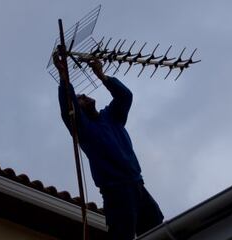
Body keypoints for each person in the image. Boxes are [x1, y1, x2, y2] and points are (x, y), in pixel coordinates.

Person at [53, 51, 164, 240]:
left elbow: (125, 96)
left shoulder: (111, 116)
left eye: (83, 95)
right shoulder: (84, 129)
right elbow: (68, 112)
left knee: (156, 224)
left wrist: (102, 76)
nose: (85, 96)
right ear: (78, 109)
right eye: (79, 98)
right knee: (123, 235)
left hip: (137, 184)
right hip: (117, 191)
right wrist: (64, 79)